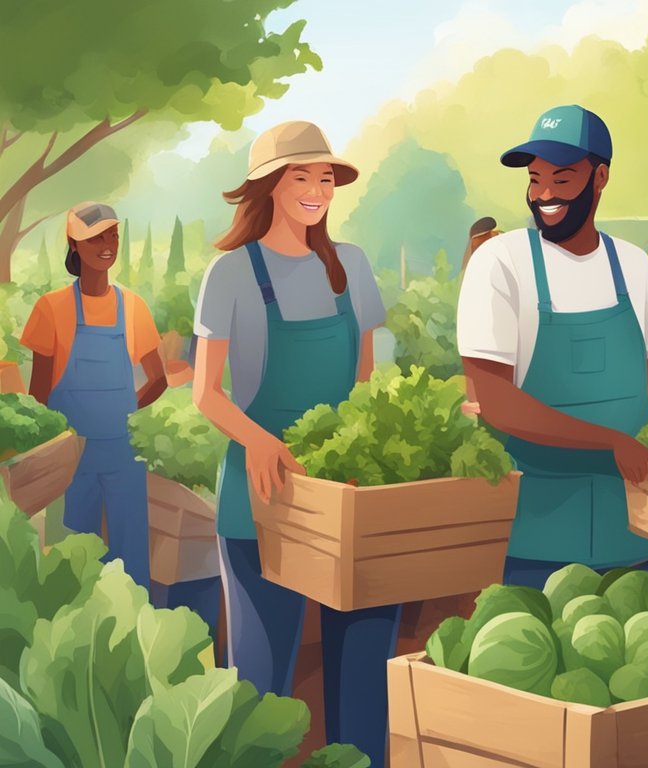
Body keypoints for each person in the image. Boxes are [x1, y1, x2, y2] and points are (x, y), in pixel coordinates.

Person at [192, 121, 397, 764]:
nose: (316, 190)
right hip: (261, 495)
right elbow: (205, 392)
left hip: (340, 488)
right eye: (301, 176)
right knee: (261, 672)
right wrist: (258, 442)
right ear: (269, 187)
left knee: (364, 658)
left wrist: (360, 455)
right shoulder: (229, 274)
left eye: (325, 177)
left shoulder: (351, 266)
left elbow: (364, 378)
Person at [458, 105, 648, 590]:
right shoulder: (502, 262)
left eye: (563, 178)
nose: (545, 194)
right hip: (540, 534)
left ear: (600, 177)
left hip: (640, 529)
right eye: (535, 180)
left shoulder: (632, 266)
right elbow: (496, 399)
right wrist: (610, 441)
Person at [21, 203, 167, 588]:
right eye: (97, 237)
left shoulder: (132, 306)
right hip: (73, 456)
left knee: (131, 556)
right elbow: (38, 392)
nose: (108, 245)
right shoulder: (51, 308)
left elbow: (158, 379)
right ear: (75, 244)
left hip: (123, 454)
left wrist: (124, 409)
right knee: (73, 557)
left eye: (113, 235)